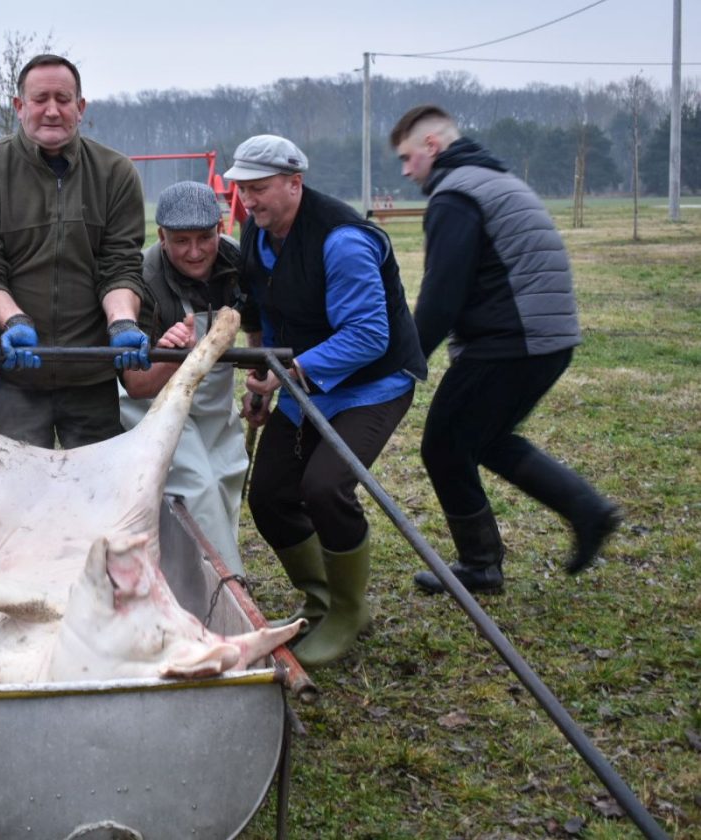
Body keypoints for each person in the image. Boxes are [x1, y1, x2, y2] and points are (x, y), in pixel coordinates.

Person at [390, 105, 621, 595]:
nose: (407, 171)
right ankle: (587, 510)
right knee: (485, 438)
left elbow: (441, 295)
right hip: (547, 338)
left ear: (433, 146)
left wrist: (404, 362)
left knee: (445, 444)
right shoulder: (495, 181)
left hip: (510, 342)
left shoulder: (456, 196)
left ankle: (480, 567)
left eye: (408, 158)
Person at [227, 135, 427, 667]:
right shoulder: (258, 230)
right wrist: (260, 370)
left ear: (295, 183)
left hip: (372, 383)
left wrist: (291, 372)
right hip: (300, 378)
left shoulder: (342, 240)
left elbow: (367, 335)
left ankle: (347, 610)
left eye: (261, 188)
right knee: (269, 494)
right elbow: (262, 311)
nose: (250, 200)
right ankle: (319, 601)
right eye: (243, 189)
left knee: (325, 487)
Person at [0, 53, 149, 449]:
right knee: (21, 498)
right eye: (40, 99)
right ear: (19, 107)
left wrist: (123, 323)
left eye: (64, 98)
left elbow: (120, 266)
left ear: (81, 107)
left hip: (92, 378)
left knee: (97, 499)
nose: (53, 111)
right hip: (18, 379)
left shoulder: (116, 173)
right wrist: (14, 320)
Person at [118, 181, 249, 574]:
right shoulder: (141, 278)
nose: (195, 252)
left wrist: (260, 380)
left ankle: (199, 578)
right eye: (181, 241)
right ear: (161, 237)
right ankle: (230, 591)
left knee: (226, 482)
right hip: (153, 400)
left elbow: (256, 324)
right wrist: (175, 355)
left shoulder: (235, 261)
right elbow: (136, 384)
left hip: (213, 400)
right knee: (197, 490)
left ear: (220, 228)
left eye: (205, 237)